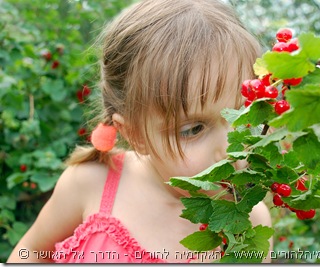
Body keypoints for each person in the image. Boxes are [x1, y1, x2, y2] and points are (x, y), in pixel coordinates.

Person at [7, 0, 272, 263]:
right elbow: (29, 253)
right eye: (194, 129)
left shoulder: (250, 220)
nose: (229, 149)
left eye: (243, 114)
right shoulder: (90, 183)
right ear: (134, 134)